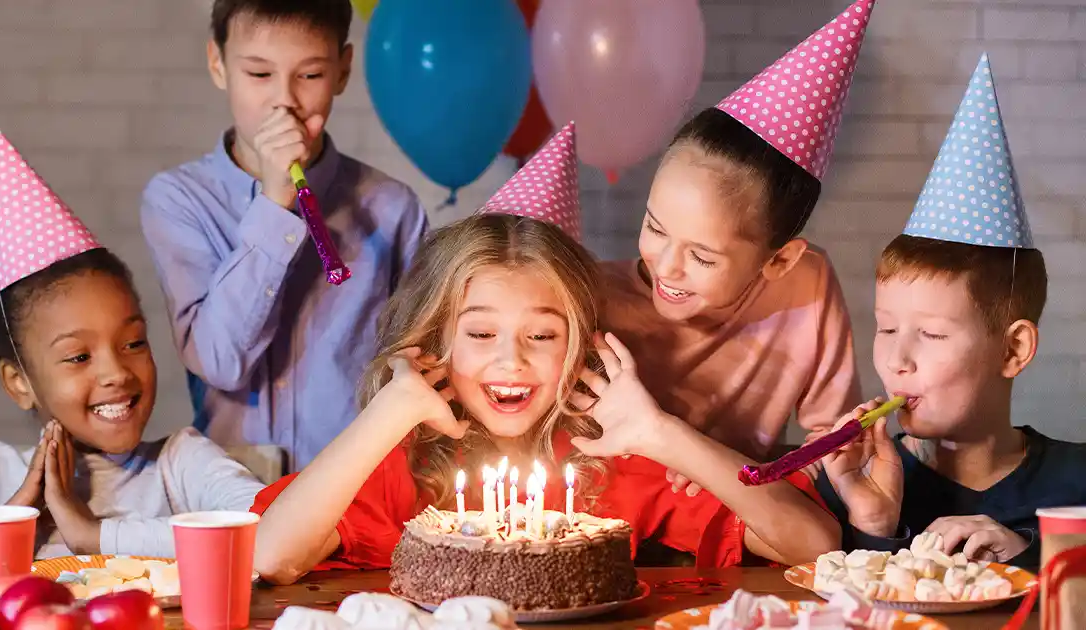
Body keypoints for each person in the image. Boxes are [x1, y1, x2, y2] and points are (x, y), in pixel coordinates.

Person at [247, 126, 840, 584]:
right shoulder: (403, 465)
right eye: (480, 335)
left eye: (542, 335)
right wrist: (389, 411)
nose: (512, 362)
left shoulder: (606, 464)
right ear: (435, 345)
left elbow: (815, 545)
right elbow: (271, 559)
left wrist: (659, 432)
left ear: (580, 347)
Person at [0, 113, 264, 561]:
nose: (116, 372)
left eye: (133, 343)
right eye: (79, 356)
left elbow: (268, 527)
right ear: (18, 382)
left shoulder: (180, 465)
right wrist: (6, 522)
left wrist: (92, 534)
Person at [816, 55, 1086, 570]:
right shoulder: (853, 484)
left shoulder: (1077, 480)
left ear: (1013, 349)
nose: (896, 358)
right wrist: (874, 527)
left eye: (932, 335)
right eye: (887, 327)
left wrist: (1030, 557)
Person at [141, 0, 428, 471]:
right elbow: (218, 361)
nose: (284, 101)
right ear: (218, 64)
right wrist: (275, 203)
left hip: (354, 486)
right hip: (231, 487)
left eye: (310, 76)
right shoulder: (177, 199)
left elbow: (417, 362)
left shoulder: (392, 207)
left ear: (342, 71)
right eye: (258, 75)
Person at [602, 0, 877, 471]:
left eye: (703, 257)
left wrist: (753, 478)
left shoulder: (806, 285)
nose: (665, 266)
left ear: (780, 261)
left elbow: (828, 444)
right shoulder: (594, 296)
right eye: (654, 227)